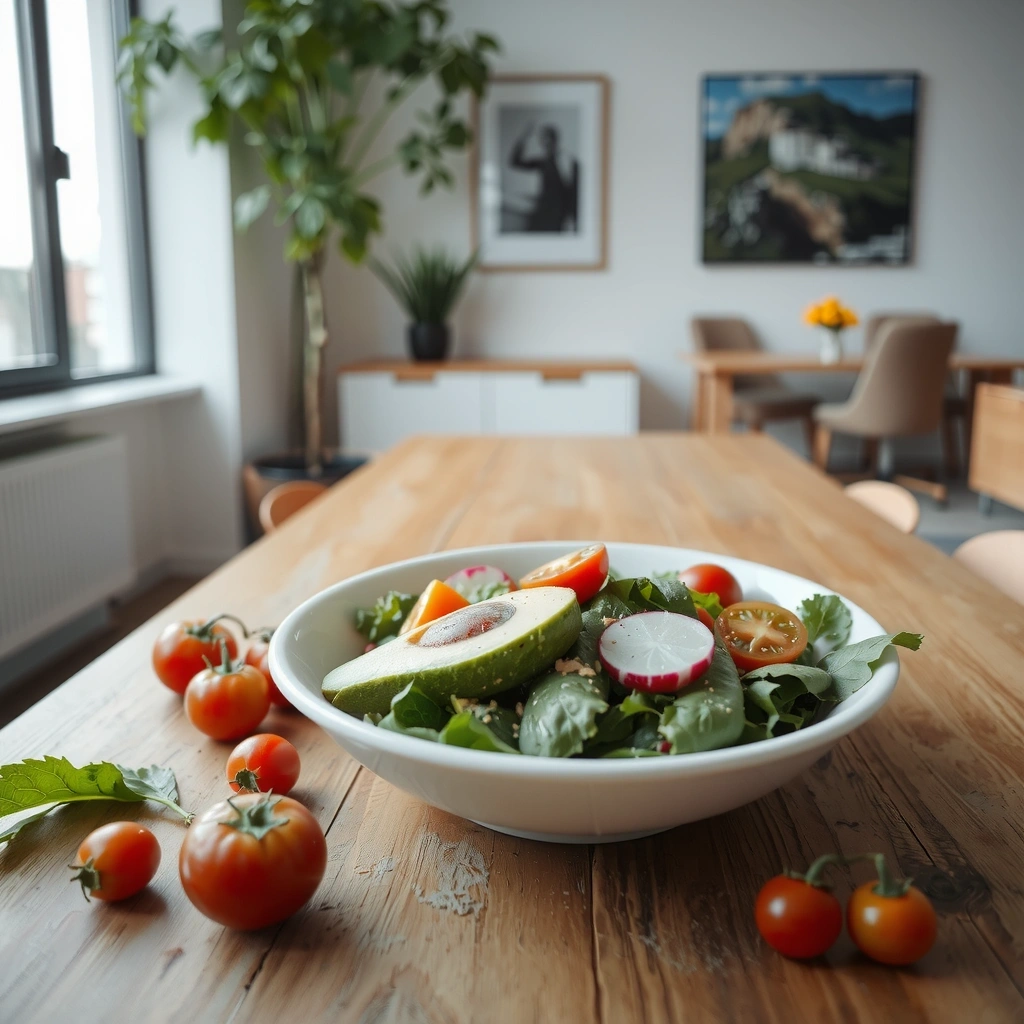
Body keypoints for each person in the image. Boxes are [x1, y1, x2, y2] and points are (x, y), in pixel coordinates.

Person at [508, 122, 579, 233]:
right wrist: (524, 137)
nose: (542, 143)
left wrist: (570, 218)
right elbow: (515, 162)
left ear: (553, 140)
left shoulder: (566, 160)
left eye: (545, 138)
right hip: (544, 211)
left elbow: (573, 191)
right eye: (541, 139)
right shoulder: (544, 162)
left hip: (558, 216)